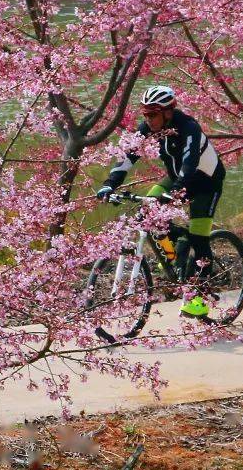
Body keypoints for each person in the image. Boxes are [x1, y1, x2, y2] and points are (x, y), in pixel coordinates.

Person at [96, 85, 226, 319]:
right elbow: (128, 157)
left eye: (153, 114)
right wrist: (110, 183)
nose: (148, 119)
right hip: (177, 178)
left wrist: (175, 192)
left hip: (206, 182)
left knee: (199, 236)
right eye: (145, 114)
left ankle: (200, 297)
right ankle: (175, 250)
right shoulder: (148, 127)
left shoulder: (189, 128)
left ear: (168, 112)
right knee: (148, 210)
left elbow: (189, 163)